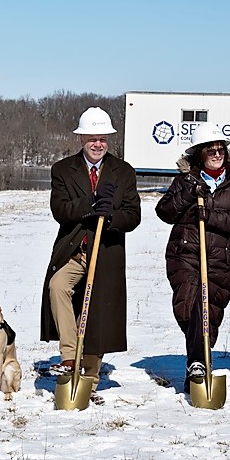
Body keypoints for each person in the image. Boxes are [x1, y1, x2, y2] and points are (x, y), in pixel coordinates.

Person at [39, 107, 141, 389]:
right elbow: (60, 210)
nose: (97, 144)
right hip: (73, 249)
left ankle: (90, 378)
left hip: (106, 251)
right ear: (81, 138)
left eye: (103, 138)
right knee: (58, 287)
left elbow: (133, 215)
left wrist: (110, 217)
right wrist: (91, 204)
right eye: (91, 138)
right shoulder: (62, 169)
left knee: (97, 312)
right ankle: (70, 357)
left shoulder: (123, 171)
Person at [155, 122, 230, 384]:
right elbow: (164, 212)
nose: (216, 154)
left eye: (220, 148)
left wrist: (210, 216)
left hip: (221, 259)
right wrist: (187, 194)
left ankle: (197, 366)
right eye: (210, 149)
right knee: (190, 306)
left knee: (209, 314)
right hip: (185, 255)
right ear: (199, 153)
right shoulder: (185, 180)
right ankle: (198, 361)